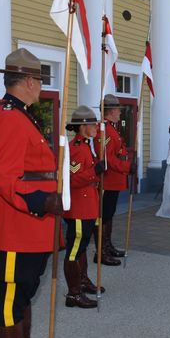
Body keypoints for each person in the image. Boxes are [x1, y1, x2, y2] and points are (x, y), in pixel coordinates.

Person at [0, 48, 61, 338]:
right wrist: (41, 203)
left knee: (24, 295)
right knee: (11, 302)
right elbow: (4, 175)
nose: (41, 88)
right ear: (29, 82)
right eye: (40, 82)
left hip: (30, 230)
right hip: (17, 228)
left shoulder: (21, 115)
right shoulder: (9, 117)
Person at [62, 106, 104, 309]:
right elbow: (70, 179)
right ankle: (73, 293)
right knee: (74, 251)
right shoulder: (76, 148)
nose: (96, 127)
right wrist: (94, 172)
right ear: (83, 127)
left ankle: (82, 280)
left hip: (89, 206)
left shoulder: (88, 145)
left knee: (82, 248)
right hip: (79, 208)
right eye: (93, 124)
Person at [94, 94, 132, 267]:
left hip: (114, 179)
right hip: (108, 180)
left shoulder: (111, 128)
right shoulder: (105, 130)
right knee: (103, 216)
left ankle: (107, 246)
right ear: (111, 111)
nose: (120, 113)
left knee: (109, 215)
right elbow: (106, 158)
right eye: (118, 110)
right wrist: (126, 167)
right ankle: (100, 251)